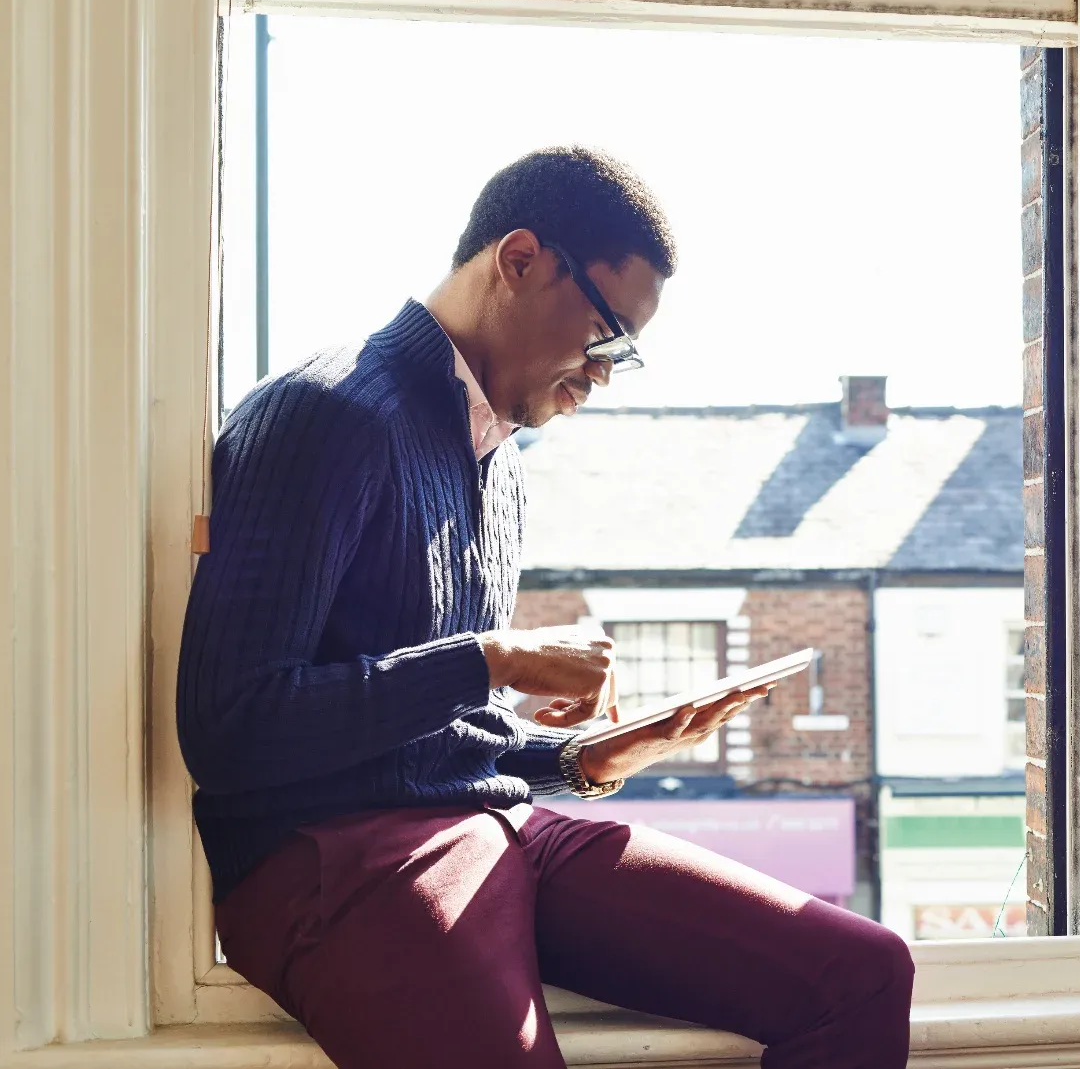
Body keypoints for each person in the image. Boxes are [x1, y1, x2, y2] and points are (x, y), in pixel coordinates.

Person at [177, 146, 914, 1068]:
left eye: (625, 354)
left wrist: (582, 757)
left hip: (496, 826)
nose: (604, 374)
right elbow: (231, 726)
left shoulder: (504, 469)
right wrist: (494, 658)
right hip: (332, 857)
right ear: (520, 260)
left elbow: (433, 744)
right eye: (606, 333)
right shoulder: (324, 413)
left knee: (863, 973)